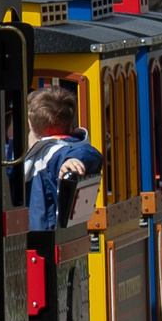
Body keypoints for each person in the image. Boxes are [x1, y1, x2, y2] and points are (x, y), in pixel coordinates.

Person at [23, 84, 104, 231]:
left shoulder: (52, 152)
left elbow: (85, 152)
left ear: (29, 124)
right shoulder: (51, 150)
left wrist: (72, 160)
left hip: (44, 235)